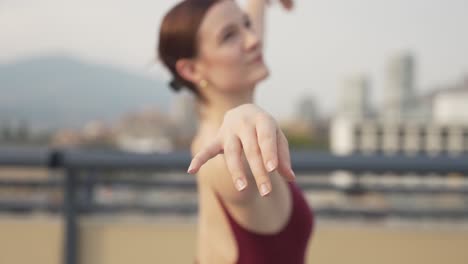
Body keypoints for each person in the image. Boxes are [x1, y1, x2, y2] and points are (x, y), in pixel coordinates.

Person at [157, 0, 314, 263]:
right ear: (192, 69)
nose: (253, 40)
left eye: (247, 25)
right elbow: (235, 143)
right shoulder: (218, 157)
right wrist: (244, 115)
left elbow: (251, 33)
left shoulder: (237, 84)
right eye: (229, 36)